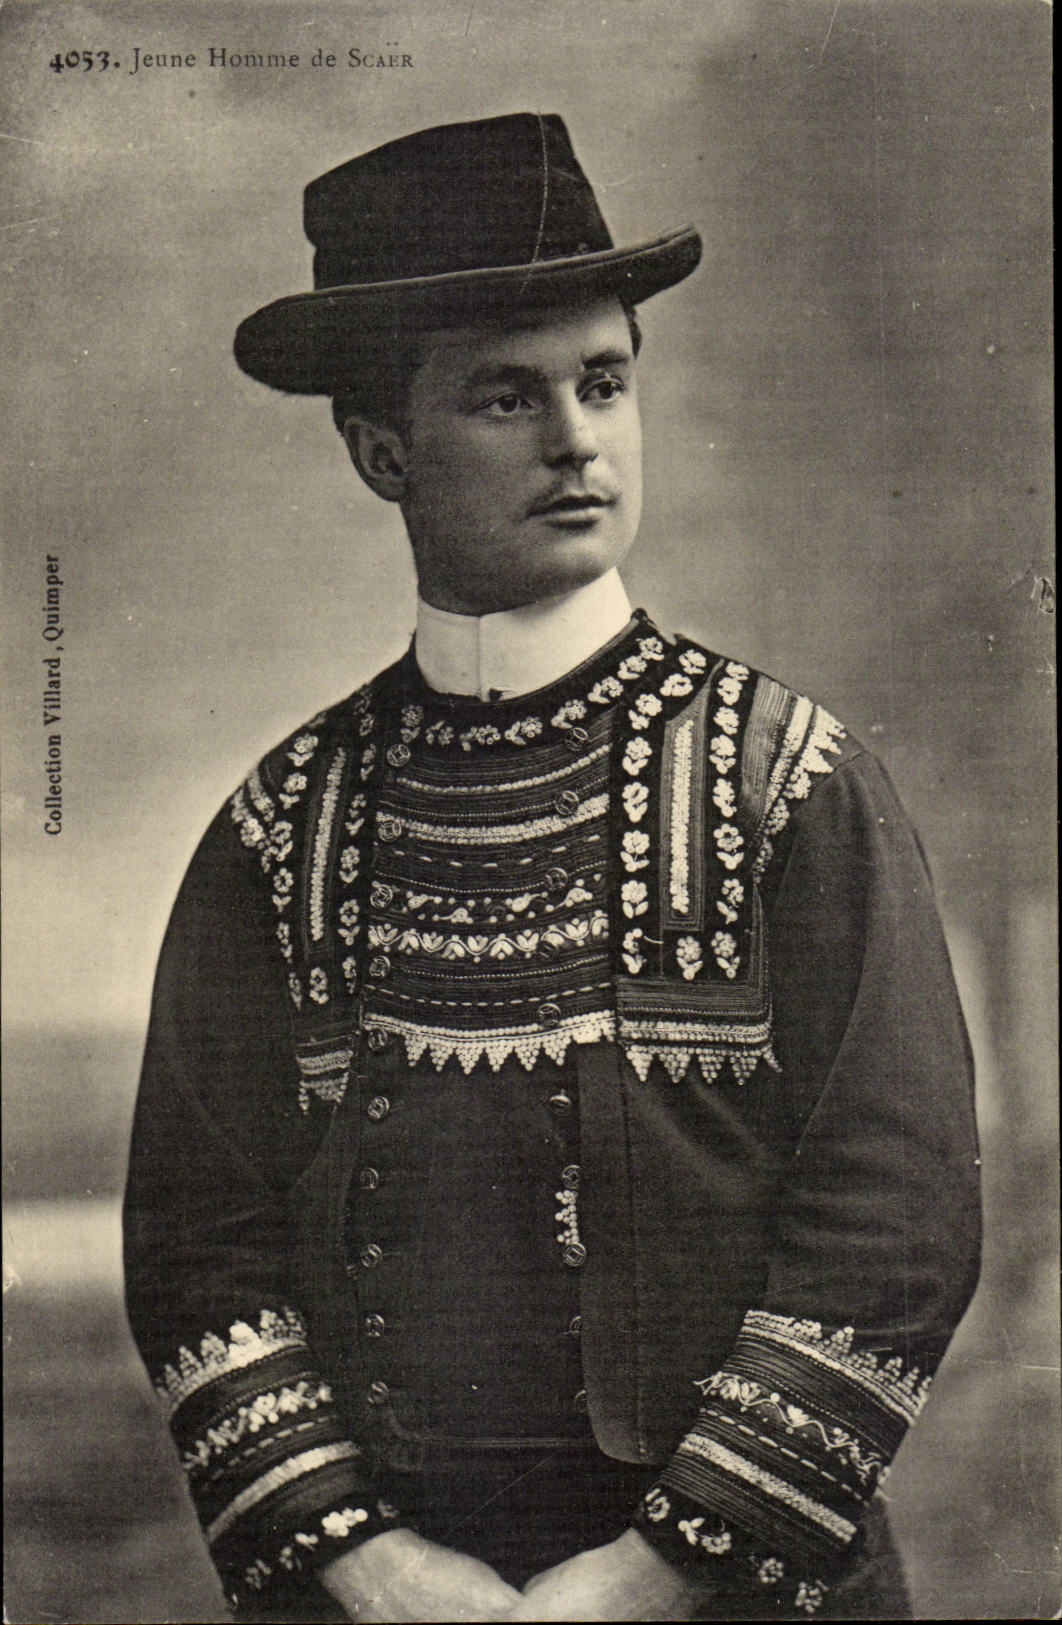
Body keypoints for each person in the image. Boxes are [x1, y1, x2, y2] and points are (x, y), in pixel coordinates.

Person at [123, 113, 982, 1623]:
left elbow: (894, 1220)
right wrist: (374, 1569)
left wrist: (644, 1579)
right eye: (504, 397)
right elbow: (199, 1244)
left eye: (602, 382)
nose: (576, 439)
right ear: (381, 448)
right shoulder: (280, 825)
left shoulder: (793, 779)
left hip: (743, 1588)